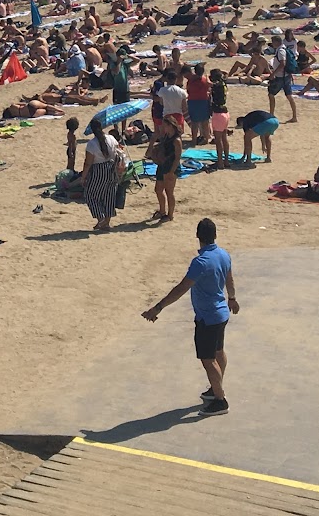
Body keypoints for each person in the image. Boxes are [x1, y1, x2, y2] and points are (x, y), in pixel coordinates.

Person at [141, 217, 238, 415]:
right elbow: (229, 278)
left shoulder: (200, 262)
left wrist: (158, 308)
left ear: (197, 236)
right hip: (221, 314)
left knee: (207, 358)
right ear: (215, 235)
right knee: (219, 352)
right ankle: (215, 388)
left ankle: (220, 400)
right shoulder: (223, 254)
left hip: (207, 319)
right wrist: (233, 298)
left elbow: (181, 288)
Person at [81, 117, 122, 233]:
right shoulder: (111, 138)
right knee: (109, 195)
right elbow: (117, 152)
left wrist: (83, 177)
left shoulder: (92, 144)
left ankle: (101, 218)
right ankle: (106, 223)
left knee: (90, 194)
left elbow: (88, 163)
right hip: (112, 167)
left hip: (99, 169)